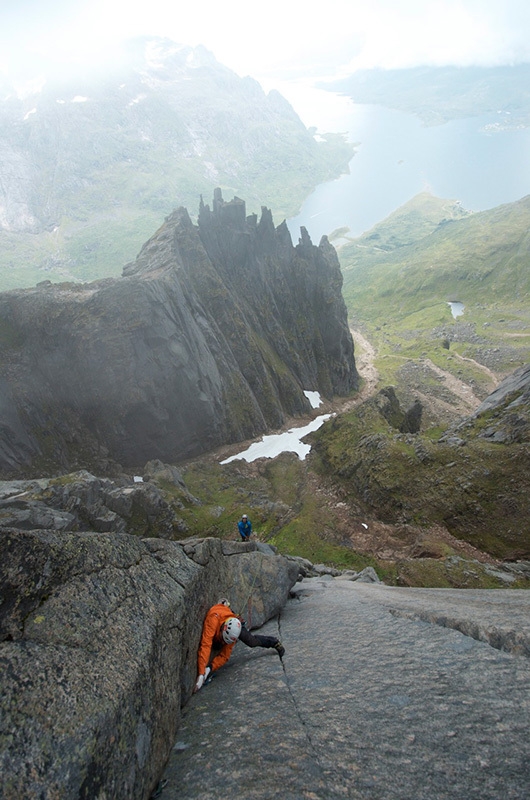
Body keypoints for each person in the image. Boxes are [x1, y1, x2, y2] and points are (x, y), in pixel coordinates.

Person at [194, 599, 285, 692]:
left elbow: (225, 656)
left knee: (251, 641)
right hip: (221, 617)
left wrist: (210, 668)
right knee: (216, 644)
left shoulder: (233, 633)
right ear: (223, 629)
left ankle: (274, 642)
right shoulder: (213, 619)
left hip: (233, 621)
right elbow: (206, 644)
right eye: (222, 639)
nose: (223, 642)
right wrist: (201, 673)